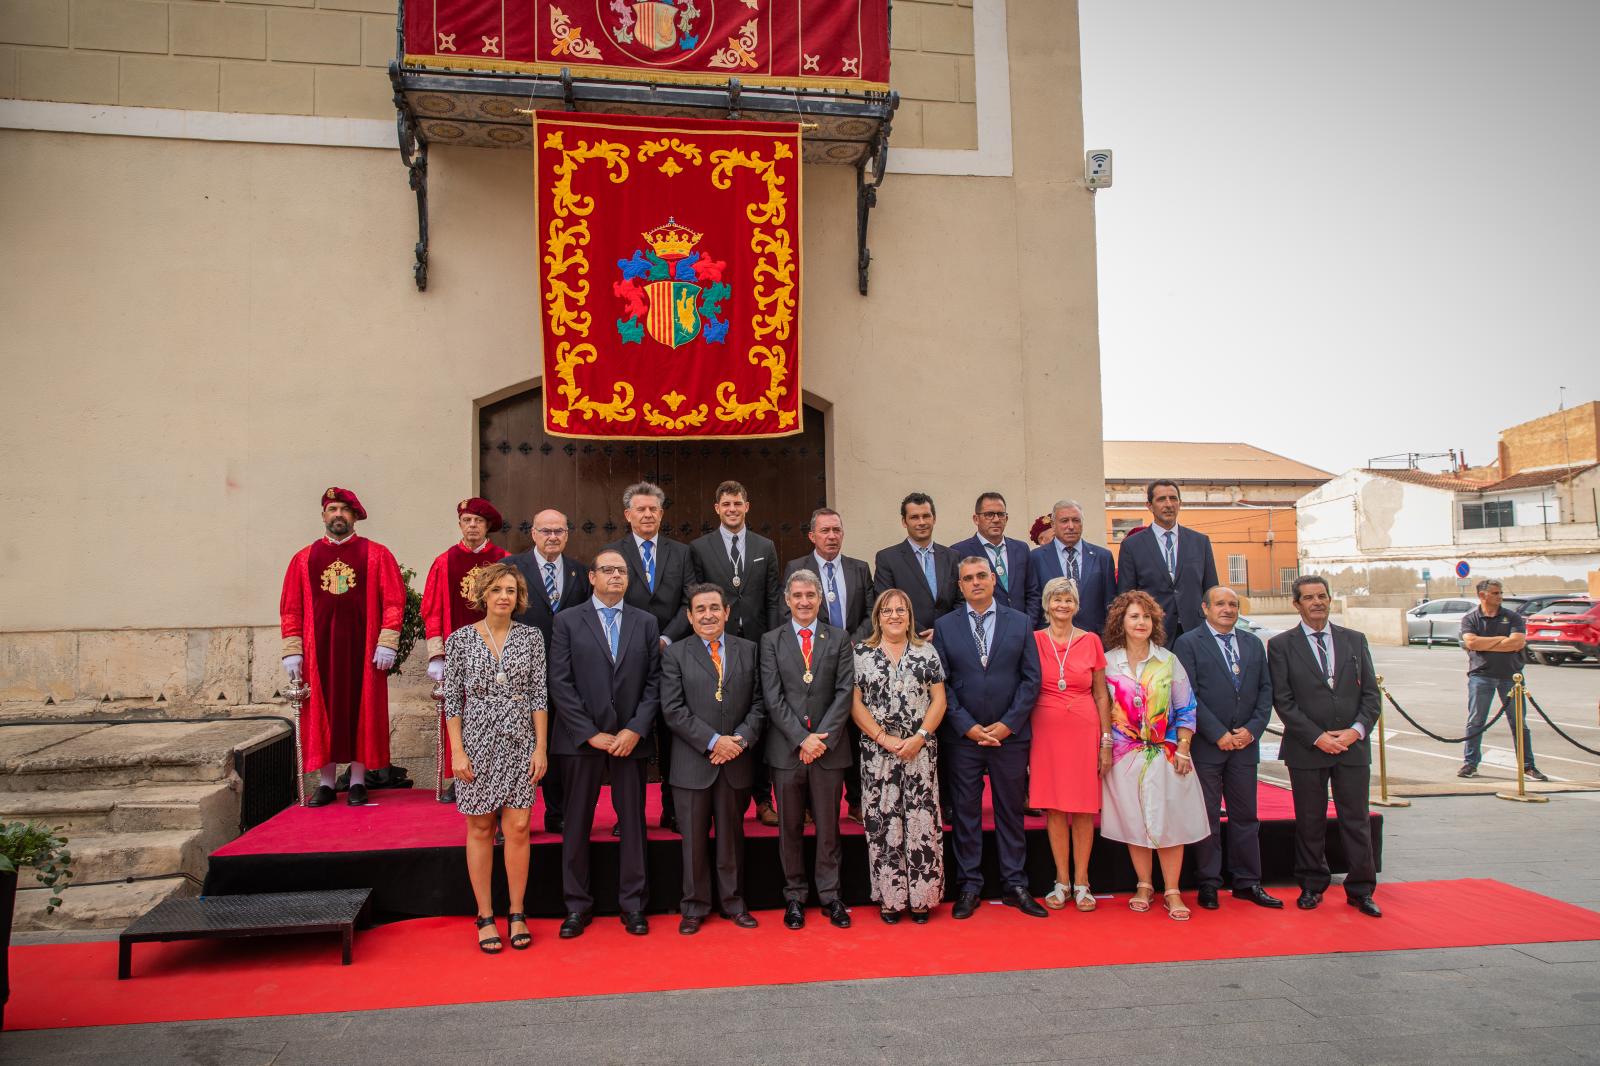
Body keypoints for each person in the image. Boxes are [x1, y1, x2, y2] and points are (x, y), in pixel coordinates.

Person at [546, 548, 660, 939]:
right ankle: (577, 906)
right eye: (607, 570)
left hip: (630, 740)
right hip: (581, 741)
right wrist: (589, 732)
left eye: (622, 571)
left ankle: (633, 904)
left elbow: (654, 682)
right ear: (591, 577)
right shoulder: (566, 621)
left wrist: (635, 729)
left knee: (632, 824)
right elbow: (559, 681)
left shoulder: (645, 623)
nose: (616, 576)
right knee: (576, 824)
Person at [441, 563, 549, 953]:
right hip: (477, 740)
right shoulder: (460, 640)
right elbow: (452, 701)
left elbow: (539, 695)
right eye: (497, 590)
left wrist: (541, 747)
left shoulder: (532, 638)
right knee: (481, 828)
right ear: (483, 595)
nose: (504, 596)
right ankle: (485, 915)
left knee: (519, 827)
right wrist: (457, 751)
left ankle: (517, 911)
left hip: (520, 739)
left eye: (511, 590)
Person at [933, 557, 1045, 919]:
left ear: (994, 580)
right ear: (960, 586)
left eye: (982, 576)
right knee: (965, 813)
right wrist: (965, 725)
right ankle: (969, 885)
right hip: (963, 738)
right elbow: (941, 683)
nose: (976, 582)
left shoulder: (1021, 622)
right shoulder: (945, 626)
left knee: (1010, 812)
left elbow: (1031, 679)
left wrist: (1008, 724)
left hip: (1009, 736)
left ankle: (1015, 884)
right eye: (968, 578)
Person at [279, 487, 406, 808]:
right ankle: (324, 782)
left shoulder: (376, 555)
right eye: (333, 509)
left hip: (364, 652)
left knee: (362, 711)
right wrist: (292, 649)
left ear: (355, 517)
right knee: (324, 713)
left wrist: (387, 641)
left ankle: (359, 781)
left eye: (344, 510)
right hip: (318, 652)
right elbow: (291, 607)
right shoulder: (303, 559)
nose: (338, 515)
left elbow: (393, 601)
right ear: (323, 515)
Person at [1267, 575, 1383, 918]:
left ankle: (1361, 889)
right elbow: (1283, 700)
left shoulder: (1355, 640)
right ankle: (1311, 884)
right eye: (1309, 598)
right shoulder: (1281, 645)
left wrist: (1355, 732)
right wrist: (1317, 736)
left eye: (1322, 596)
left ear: (1330, 600)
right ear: (1296, 604)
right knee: (1310, 820)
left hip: (1352, 747)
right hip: (1307, 748)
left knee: (1356, 820)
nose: (1317, 602)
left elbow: (1371, 695)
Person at [660, 583, 766, 933]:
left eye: (714, 608)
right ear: (689, 617)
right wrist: (711, 742)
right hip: (693, 763)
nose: (708, 615)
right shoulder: (675, 655)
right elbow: (673, 710)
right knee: (692, 839)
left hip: (736, 759)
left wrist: (739, 740)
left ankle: (733, 902)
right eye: (700, 609)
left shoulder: (749, 651)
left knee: (732, 837)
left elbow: (759, 703)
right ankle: (694, 906)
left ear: (727, 612)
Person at [1099, 590, 1209, 920]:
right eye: (1134, 616)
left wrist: (1184, 749)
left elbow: (1186, 709)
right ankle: (1144, 884)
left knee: (1170, 822)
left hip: (1167, 754)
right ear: (1121, 621)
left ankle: (1172, 890)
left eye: (1146, 616)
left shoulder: (1168, 661)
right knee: (1135, 821)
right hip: (1124, 757)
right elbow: (1103, 710)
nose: (1141, 622)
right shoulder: (1107, 663)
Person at [1173, 586, 1281, 911]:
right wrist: (1218, 732)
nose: (1227, 609)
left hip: (1245, 746)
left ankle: (1248, 882)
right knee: (1206, 816)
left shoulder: (1251, 643)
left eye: (1233, 604)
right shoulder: (1188, 643)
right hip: (1207, 746)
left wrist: (1252, 730)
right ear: (1205, 608)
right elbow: (1187, 694)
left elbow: (1266, 691)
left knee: (1246, 816)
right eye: (1220, 603)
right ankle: (1209, 883)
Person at [759, 570, 855, 930]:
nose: (803, 602)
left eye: (810, 595)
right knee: (790, 828)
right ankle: (795, 897)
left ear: (820, 599)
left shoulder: (839, 638)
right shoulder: (771, 640)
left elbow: (845, 692)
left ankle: (831, 896)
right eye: (797, 595)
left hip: (829, 751)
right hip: (787, 751)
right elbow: (772, 696)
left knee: (829, 828)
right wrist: (802, 738)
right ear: (787, 600)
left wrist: (821, 739)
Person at [851, 588, 947, 923]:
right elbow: (855, 703)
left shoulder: (926, 651)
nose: (894, 616)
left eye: (901, 610)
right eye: (887, 610)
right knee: (884, 823)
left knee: (920, 822)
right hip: (878, 754)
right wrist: (883, 738)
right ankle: (891, 898)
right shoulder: (862, 653)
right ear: (877, 616)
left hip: (919, 752)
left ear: (910, 616)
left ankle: (922, 898)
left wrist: (919, 737)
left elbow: (939, 700)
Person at [690, 480, 782, 825]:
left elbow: (773, 596)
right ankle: (720, 797)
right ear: (717, 508)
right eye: (726, 504)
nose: (732, 509)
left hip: (758, 645)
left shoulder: (765, 546)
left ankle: (762, 797)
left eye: (737, 504)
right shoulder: (700, 548)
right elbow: (697, 596)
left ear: (747, 506)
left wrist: (772, 640)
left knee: (758, 720)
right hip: (718, 646)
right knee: (721, 716)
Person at [606, 481, 695, 831]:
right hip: (630, 659)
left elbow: (690, 600)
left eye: (653, 509)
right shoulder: (613, 552)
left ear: (661, 514)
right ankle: (629, 817)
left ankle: (674, 811)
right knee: (633, 738)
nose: (647, 514)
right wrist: (641, 638)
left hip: (673, 656)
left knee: (674, 739)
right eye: (640, 509)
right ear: (628, 515)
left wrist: (667, 636)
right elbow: (611, 600)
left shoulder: (682, 553)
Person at [781, 506, 876, 822]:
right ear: (812, 535)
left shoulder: (859, 568)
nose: (832, 536)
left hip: (854, 657)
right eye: (825, 531)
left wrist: (852, 640)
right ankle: (809, 802)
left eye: (836, 530)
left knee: (851, 728)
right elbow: (792, 611)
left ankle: (857, 799)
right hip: (813, 662)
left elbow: (869, 613)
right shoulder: (796, 567)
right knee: (817, 723)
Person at [505, 508, 594, 831]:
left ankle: (558, 813)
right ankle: (514, 816)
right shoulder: (511, 568)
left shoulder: (581, 573)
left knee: (560, 746)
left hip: (567, 674)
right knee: (520, 745)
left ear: (567, 535)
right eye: (546, 531)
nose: (552, 537)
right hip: (522, 673)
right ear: (533, 534)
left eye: (558, 531)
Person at [1028, 577, 1112, 912]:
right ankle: (1061, 881)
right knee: (1055, 809)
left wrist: (1106, 741)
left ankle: (1082, 882)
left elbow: (1101, 693)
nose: (1062, 605)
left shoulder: (1091, 640)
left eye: (1068, 600)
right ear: (1046, 604)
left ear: (1076, 605)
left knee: (1083, 809)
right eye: (1056, 599)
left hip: (1084, 727)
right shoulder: (1033, 640)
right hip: (1046, 732)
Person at [422, 497, 510, 804]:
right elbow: (431, 610)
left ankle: (494, 771)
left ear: (487, 527)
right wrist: (436, 655)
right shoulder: (443, 562)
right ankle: (457, 775)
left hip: (497, 650)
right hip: (457, 652)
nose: (472, 525)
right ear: (460, 525)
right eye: (467, 520)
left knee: (495, 712)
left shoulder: (504, 560)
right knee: (458, 712)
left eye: (478, 521)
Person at [1458, 578, 1547, 781]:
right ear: (1483, 595)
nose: (1500, 596)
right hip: (1481, 675)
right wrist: (1501, 640)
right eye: (1496, 593)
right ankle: (1470, 763)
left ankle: (1527, 766)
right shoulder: (1470, 618)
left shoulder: (1512, 617)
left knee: (1519, 723)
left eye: (1500, 593)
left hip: (1511, 677)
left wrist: (1486, 643)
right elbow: (1471, 641)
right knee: (1476, 721)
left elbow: (1516, 643)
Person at [1115, 481, 1217, 645]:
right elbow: (1126, 595)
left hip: (1195, 630)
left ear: (1180, 503)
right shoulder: (1132, 545)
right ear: (1149, 505)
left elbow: (1212, 590)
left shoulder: (1200, 542)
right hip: (1153, 631)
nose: (1168, 504)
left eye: (1173, 498)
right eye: (1161, 499)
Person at [874, 492, 960, 641]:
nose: (921, 522)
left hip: (950, 640)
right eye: (914, 517)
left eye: (926, 516)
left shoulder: (952, 557)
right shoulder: (887, 558)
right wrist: (921, 633)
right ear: (904, 522)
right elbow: (886, 604)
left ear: (934, 519)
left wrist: (943, 631)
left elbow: (961, 600)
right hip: (908, 642)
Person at [1026, 499, 1116, 636]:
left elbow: (1110, 603)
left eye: (1076, 520)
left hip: (1093, 638)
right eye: (1064, 521)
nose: (1071, 526)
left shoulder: (1102, 557)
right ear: (1053, 525)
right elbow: (1033, 601)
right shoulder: (1036, 558)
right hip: (1051, 640)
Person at [951, 491, 1033, 614]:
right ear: (976, 519)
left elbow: (1033, 592)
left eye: (1000, 514)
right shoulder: (958, 552)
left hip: (1021, 627)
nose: (996, 519)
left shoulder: (1021, 549)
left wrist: (1027, 623)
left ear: (1006, 518)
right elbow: (957, 599)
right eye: (989, 514)